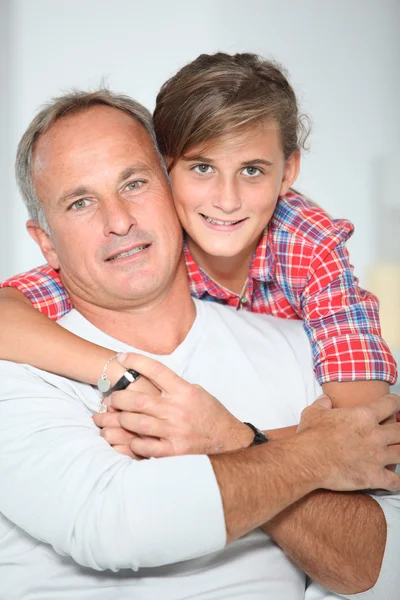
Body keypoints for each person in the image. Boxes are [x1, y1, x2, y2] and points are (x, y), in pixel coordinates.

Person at [0, 90, 399, 600]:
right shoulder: (18, 366)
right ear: (47, 243)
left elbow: (381, 569)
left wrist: (231, 438)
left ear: (174, 189)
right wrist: (311, 456)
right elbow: (115, 524)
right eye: (81, 202)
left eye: (135, 183)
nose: (118, 221)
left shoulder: (305, 349)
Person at [0, 53, 397, 426]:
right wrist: (116, 372)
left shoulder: (307, 243)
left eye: (253, 171)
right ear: (168, 170)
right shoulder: (144, 246)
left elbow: (364, 431)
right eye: (203, 167)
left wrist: (228, 440)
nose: (226, 200)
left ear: (288, 171)